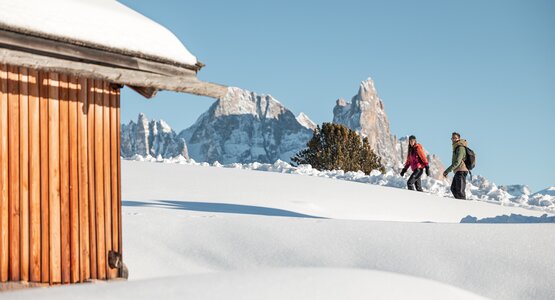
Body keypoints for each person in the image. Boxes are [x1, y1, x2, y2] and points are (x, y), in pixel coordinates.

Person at [443, 132, 468, 199]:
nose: (453, 139)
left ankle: (464, 206)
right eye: (452, 138)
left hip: (461, 171)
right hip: (458, 171)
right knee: (453, 189)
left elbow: (457, 162)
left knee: (460, 191)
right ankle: (459, 204)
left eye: (455, 138)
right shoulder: (456, 147)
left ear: (459, 139)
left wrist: (447, 171)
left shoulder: (460, 148)